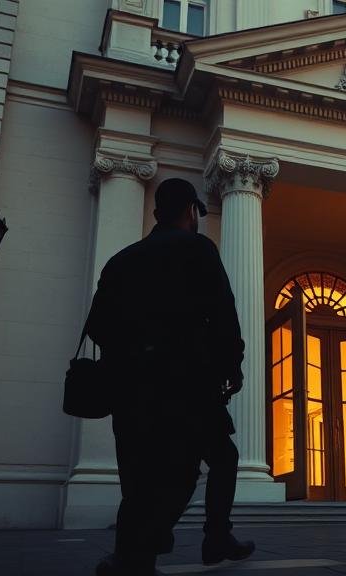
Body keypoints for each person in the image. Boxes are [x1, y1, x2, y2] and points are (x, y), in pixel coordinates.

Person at [87, 178, 254, 575]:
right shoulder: (197, 249)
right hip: (188, 381)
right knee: (217, 459)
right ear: (191, 211)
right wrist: (232, 364)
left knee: (139, 473)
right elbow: (224, 313)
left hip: (130, 386)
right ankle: (195, 540)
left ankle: (136, 553)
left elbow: (97, 325)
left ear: (157, 211)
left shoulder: (122, 259)